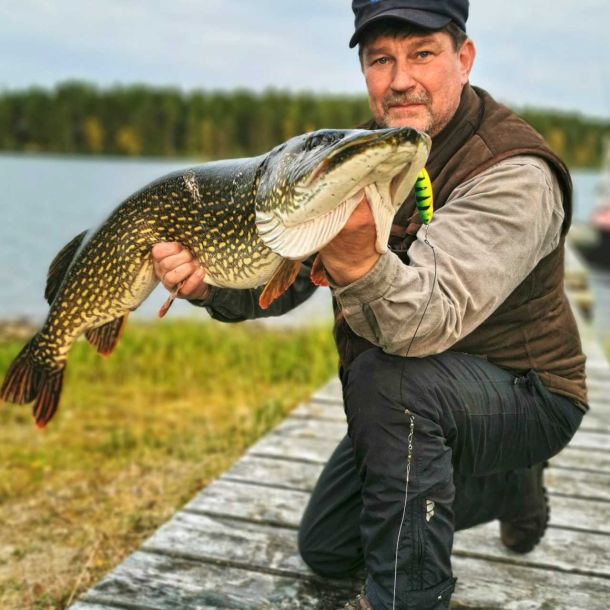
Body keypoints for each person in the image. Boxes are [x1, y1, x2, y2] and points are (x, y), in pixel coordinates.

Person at [151, 1, 588, 608]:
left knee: (389, 381)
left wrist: (357, 262)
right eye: (381, 60)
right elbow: (285, 276)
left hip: (528, 394)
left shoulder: (514, 173)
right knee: (328, 547)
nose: (400, 79)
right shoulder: (356, 155)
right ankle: (510, 490)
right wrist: (212, 286)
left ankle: (408, 597)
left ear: (464, 59)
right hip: (420, 397)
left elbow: (425, 322)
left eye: (422, 54)